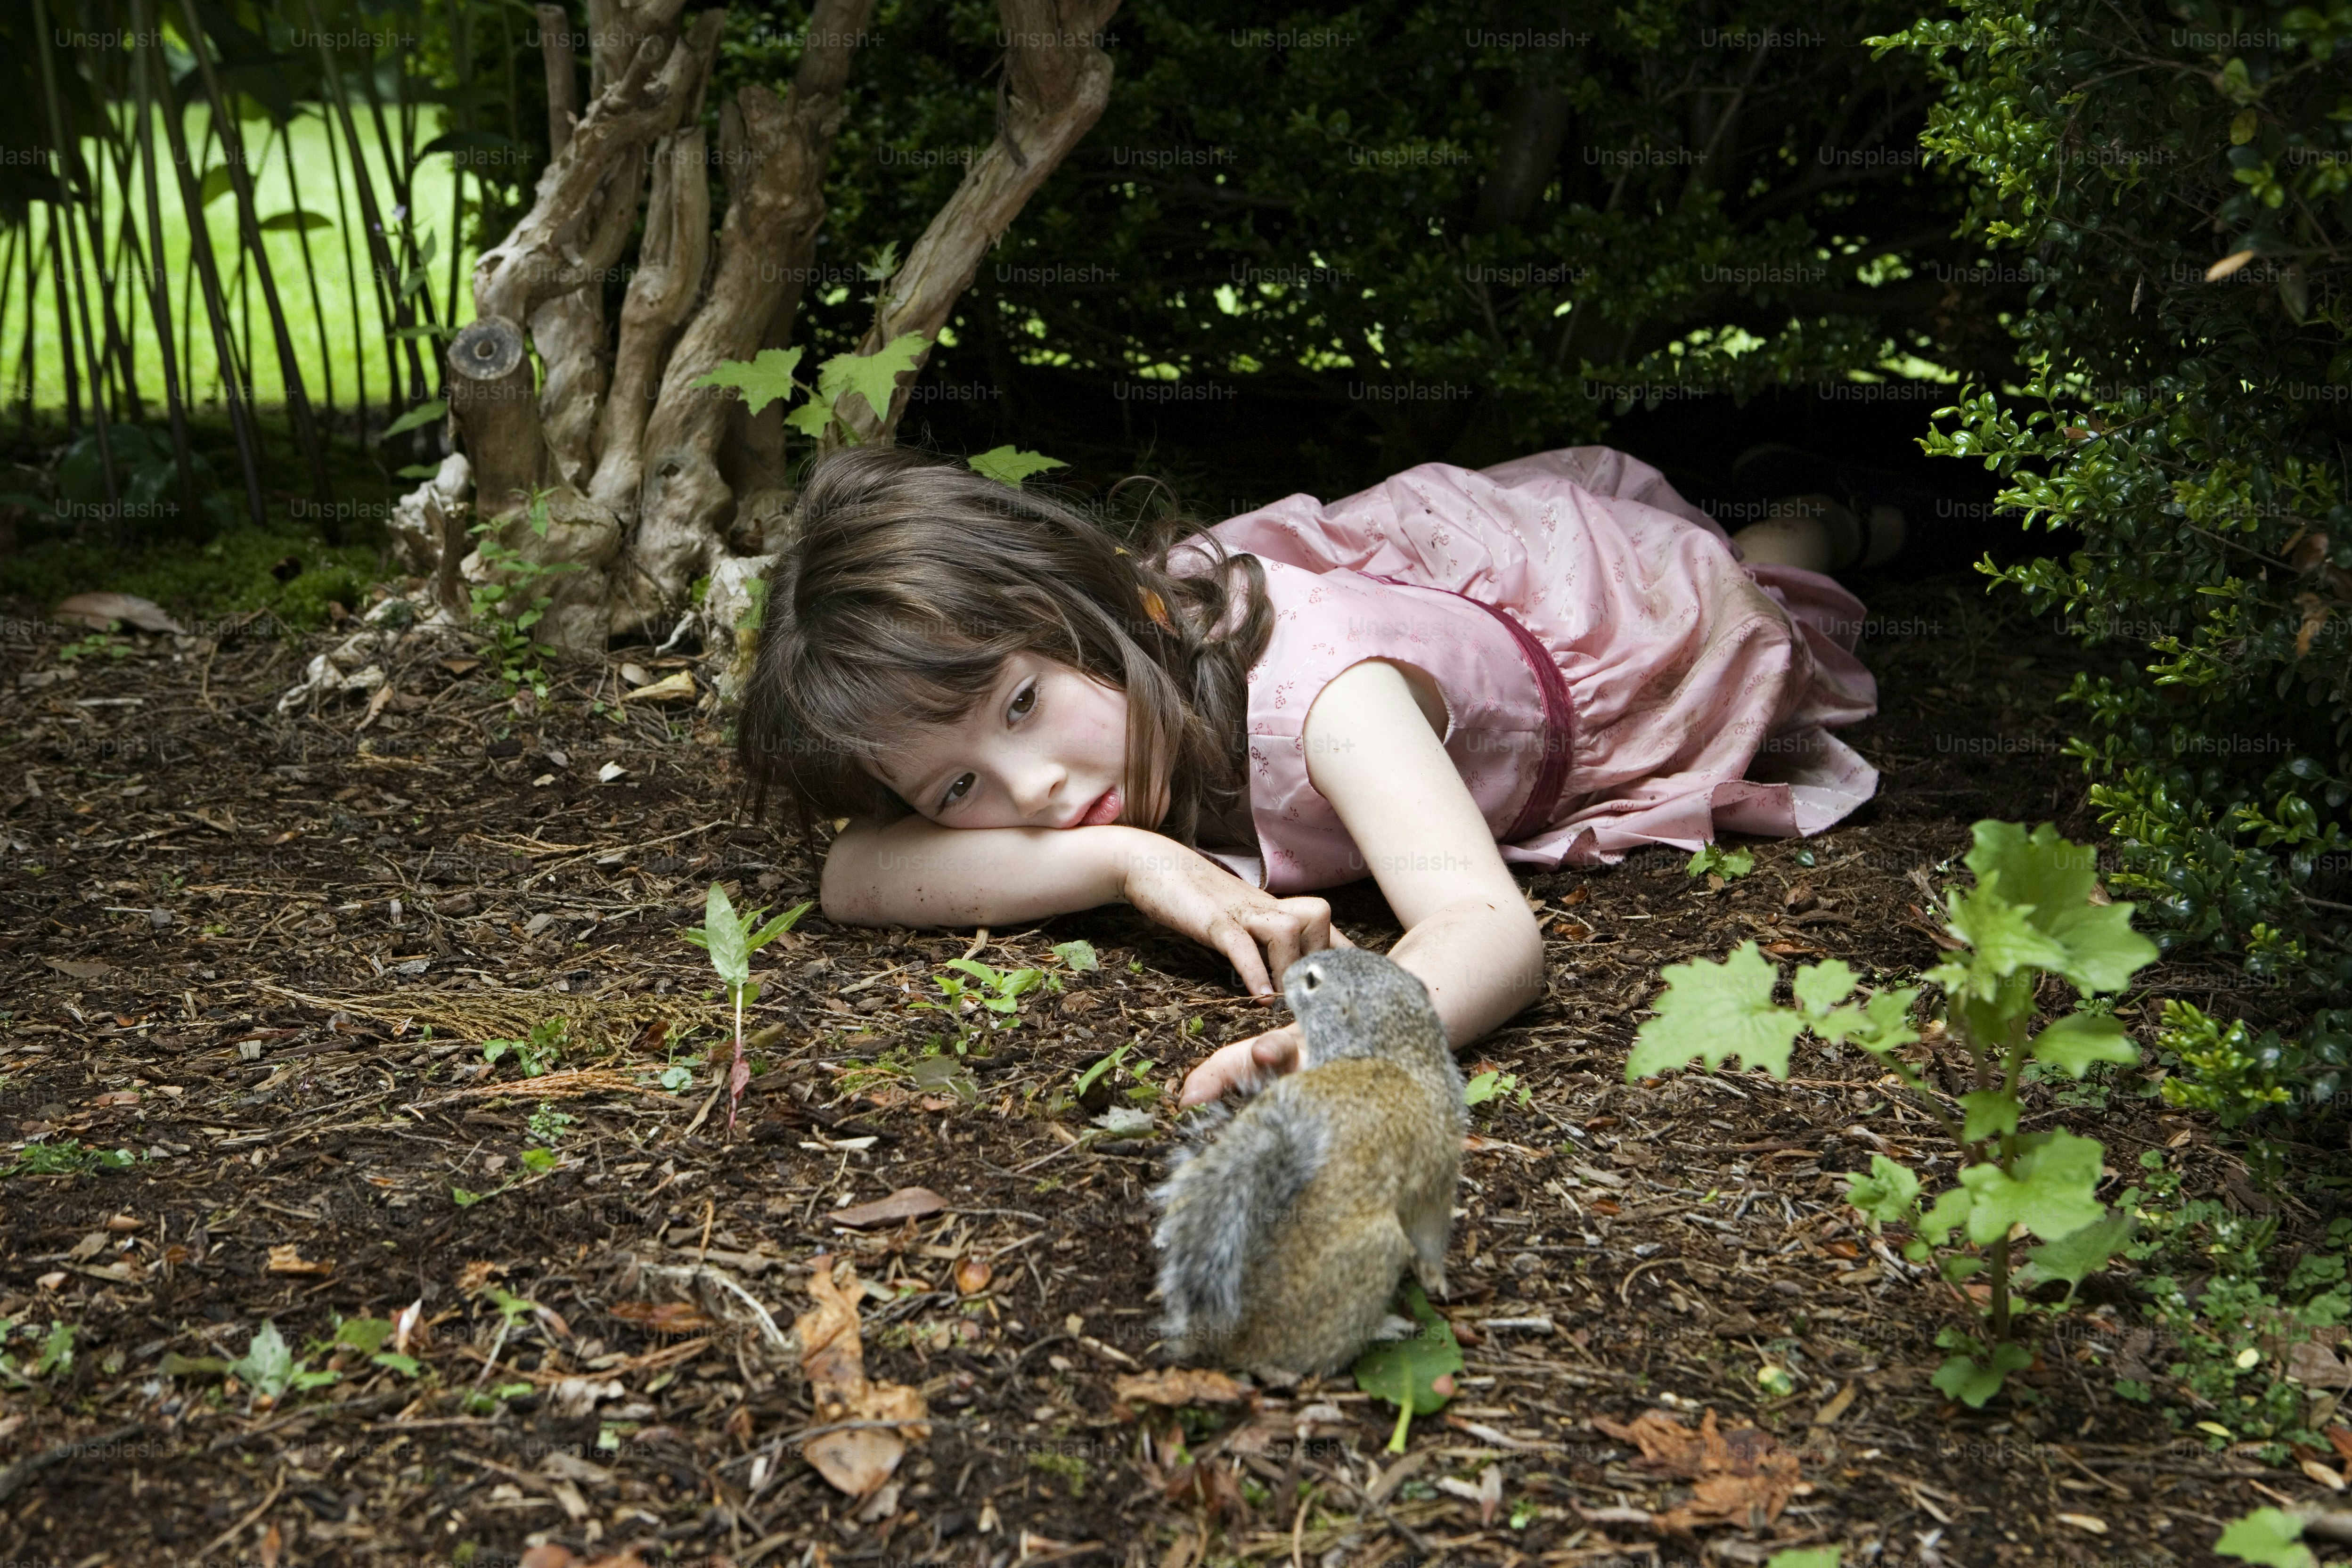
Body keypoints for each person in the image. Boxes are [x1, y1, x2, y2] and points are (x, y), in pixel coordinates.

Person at [738, 445, 1880, 1107]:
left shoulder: (1331, 701)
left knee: (1764, 581)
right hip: (1384, 596)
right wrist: (1135, 857)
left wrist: (1353, 1039)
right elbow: (855, 872)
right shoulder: (1108, 702)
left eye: (1023, 704)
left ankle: (1832, 513)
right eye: (955, 790)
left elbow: (1488, 926)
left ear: (1093, 613)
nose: (1030, 792)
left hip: (1605, 623)